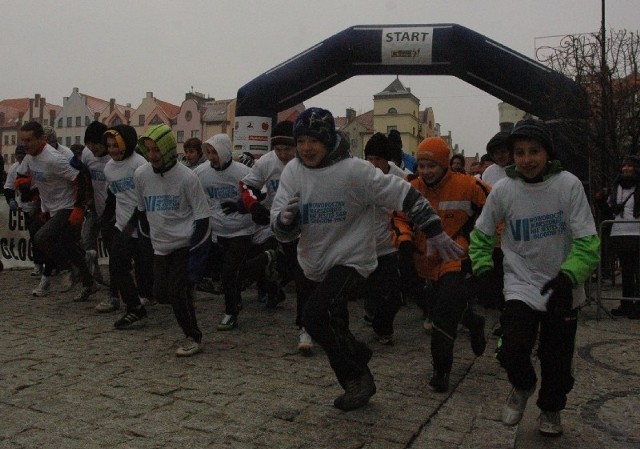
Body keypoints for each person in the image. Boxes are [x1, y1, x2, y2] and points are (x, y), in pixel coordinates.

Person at [271, 107, 464, 411]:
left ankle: (358, 374)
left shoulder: (354, 171)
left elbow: (403, 193)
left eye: (313, 141)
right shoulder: (293, 171)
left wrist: (434, 229)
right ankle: (358, 364)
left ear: (328, 140)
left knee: (313, 315)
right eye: (301, 141)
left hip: (352, 259)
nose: (306, 148)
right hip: (313, 260)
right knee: (332, 325)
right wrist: (284, 220)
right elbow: (279, 223)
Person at [468, 119, 600, 437]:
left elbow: (588, 242)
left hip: (563, 284)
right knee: (511, 347)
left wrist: (570, 277)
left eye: (534, 152)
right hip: (522, 283)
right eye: (520, 152)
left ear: (547, 153)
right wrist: (483, 269)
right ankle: (523, 384)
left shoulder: (568, 185)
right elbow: (482, 234)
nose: (527, 160)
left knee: (556, 361)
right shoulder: (504, 190)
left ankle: (551, 408)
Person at [391, 136, 489, 393]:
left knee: (443, 316)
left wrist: (481, 243)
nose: (426, 171)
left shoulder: (469, 185)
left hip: (455, 259)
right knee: (436, 309)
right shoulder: (410, 186)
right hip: (422, 260)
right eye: (421, 165)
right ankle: (473, 322)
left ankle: (441, 370)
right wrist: (403, 240)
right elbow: (397, 217)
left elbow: (496, 210)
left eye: (431, 165)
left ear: (445, 164)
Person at [132, 124, 211, 356]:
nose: (152, 156)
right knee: (160, 293)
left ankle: (193, 336)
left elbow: (203, 218)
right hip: (159, 248)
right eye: (148, 150)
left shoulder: (188, 177)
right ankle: (187, 294)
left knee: (176, 292)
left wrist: (196, 256)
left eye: (156, 150)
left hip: (183, 245)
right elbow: (141, 212)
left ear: (167, 149)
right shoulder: (140, 175)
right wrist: (146, 243)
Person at [17, 121, 98, 301]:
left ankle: (68, 269)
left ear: (41, 139)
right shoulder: (30, 157)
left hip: (67, 206)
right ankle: (88, 280)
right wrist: (23, 185)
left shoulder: (55, 159)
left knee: (41, 237)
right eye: (22, 140)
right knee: (65, 244)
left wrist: (79, 207)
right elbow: (23, 174)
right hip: (49, 207)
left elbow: (83, 178)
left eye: (29, 140)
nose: (25, 144)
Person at [194, 134, 254, 331]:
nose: (212, 157)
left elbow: (256, 196)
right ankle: (235, 298)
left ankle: (230, 312)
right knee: (226, 271)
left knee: (230, 271)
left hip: (241, 229)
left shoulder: (243, 172)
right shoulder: (201, 173)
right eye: (208, 152)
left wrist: (242, 206)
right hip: (217, 230)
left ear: (226, 152)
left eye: (215, 152)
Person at [102, 125, 154, 328]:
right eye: (109, 146)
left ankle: (150, 296)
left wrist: (132, 224)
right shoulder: (108, 169)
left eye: (117, 145)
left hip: (142, 224)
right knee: (116, 265)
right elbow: (115, 196)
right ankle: (134, 308)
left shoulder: (140, 165)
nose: (113, 150)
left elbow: (145, 199)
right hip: (121, 224)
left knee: (145, 268)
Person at [362, 132, 406, 345]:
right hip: (364, 244)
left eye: (377, 159)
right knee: (372, 288)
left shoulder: (400, 178)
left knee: (394, 293)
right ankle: (373, 312)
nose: (372, 164)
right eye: (368, 159)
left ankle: (383, 327)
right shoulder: (360, 176)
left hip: (391, 244)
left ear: (386, 159)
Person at [599, 155, 640, 318]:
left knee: (638, 271)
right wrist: (601, 202)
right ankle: (626, 303)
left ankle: (638, 304)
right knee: (627, 272)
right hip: (620, 234)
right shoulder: (616, 188)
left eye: (630, 166)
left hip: (637, 234)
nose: (626, 169)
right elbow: (610, 212)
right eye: (624, 166)